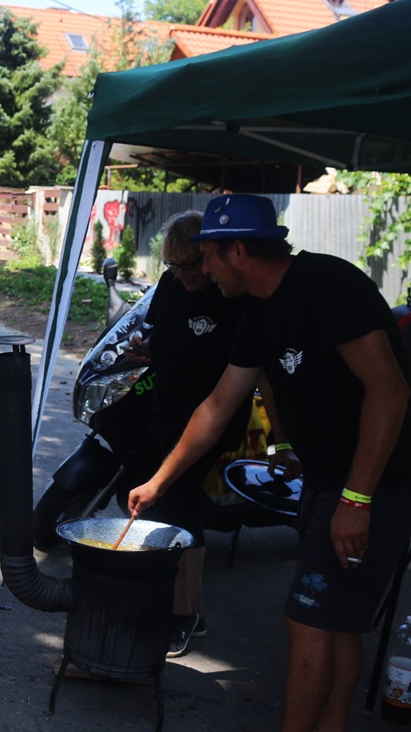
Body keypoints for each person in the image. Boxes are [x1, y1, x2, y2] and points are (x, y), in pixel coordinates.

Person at [128, 193, 411, 732]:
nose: (205, 269)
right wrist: (159, 481)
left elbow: (390, 389)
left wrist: (357, 499)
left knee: (306, 619)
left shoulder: (326, 284)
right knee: (338, 623)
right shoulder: (259, 311)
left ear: (238, 251)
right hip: (328, 479)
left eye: (209, 256)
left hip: (376, 482)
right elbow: (217, 407)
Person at [122, 210, 251, 657]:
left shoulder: (230, 296)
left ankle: (181, 613)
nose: (184, 275)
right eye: (174, 266)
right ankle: (191, 612)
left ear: (210, 258)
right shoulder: (170, 284)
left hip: (211, 421)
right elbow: (162, 338)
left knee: (174, 506)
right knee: (182, 506)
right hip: (168, 412)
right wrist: (145, 350)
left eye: (192, 265)